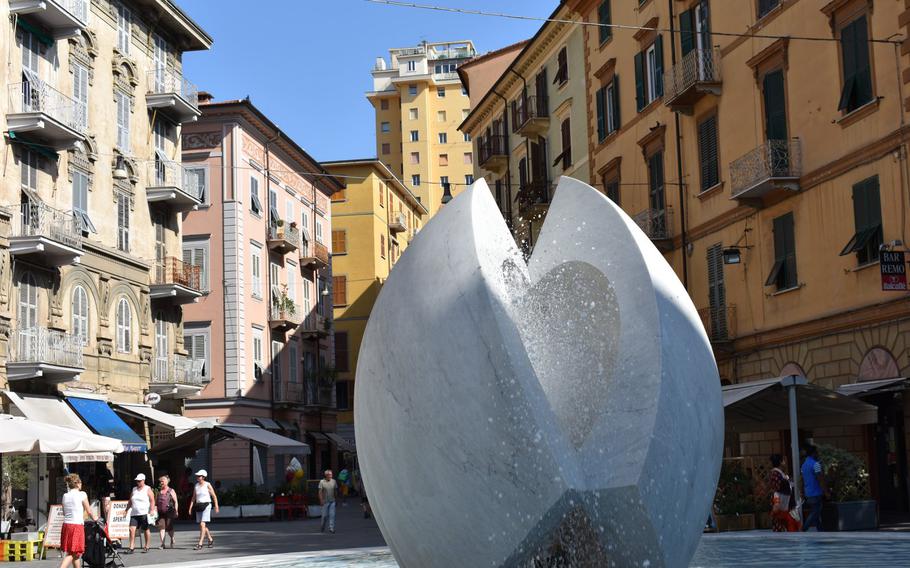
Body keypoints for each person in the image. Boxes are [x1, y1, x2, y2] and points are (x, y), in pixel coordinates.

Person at [59, 474, 98, 568]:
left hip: (66, 525)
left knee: (76, 555)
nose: (81, 484)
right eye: (80, 482)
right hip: (76, 525)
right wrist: (96, 519)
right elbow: (89, 511)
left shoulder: (65, 495)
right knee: (74, 553)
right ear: (77, 483)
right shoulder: (82, 494)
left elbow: (64, 512)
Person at [188, 469, 219, 550]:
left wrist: (216, 506)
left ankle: (200, 543)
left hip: (207, 505)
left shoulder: (207, 485)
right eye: (197, 476)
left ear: (203, 477)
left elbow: (214, 496)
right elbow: (193, 498)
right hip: (199, 506)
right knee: (202, 526)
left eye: (199, 476)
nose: (197, 477)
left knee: (202, 524)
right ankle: (210, 539)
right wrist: (190, 508)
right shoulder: (196, 486)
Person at [768, 454, 800, 532]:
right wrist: (776, 505)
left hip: (784, 504)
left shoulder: (779, 473)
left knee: (786, 527)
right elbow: (776, 490)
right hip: (781, 505)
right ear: (780, 462)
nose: (785, 462)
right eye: (783, 460)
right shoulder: (776, 474)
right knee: (780, 528)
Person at [127, 473, 156, 553]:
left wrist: (152, 510)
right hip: (134, 513)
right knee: (131, 529)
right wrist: (126, 510)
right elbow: (130, 501)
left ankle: (147, 546)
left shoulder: (148, 489)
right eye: (137, 481)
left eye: (139, 481)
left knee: (145, 529)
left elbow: (152, 500)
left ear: (143, 481)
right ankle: (131, 547)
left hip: (144, 513)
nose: (138, 483)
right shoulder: (134, 489)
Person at [801, 445, 827, 531]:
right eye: (817, 452)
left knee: (815, 514)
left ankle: (821, 530)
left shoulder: (804, 465)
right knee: (815, 512)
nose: (818, 454)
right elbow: (820, 479)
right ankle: (804, 528)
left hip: (808, 493)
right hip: (816, 493)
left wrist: (802, 492)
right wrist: (826, 492)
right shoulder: (816, 464)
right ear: (813, 453)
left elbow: (802, 479)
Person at [156, 475, 179, 549]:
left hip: (169, 512)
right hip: (161, 512)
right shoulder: (159, 491)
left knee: (169, 528)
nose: (161, 482)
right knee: (161, 528)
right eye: (161, 481)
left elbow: (176, 502)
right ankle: (162, 544)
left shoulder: (171, 490)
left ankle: (172, 538)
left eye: (163, 481)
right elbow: (156, 503)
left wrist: (176, 511)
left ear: (167, 482)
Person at [319, 469, 338, 533]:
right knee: (324, 516)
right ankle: (322, 527)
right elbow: (320, 492)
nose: (331, 476)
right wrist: (321, 500)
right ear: (326, 475)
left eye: (331, 474)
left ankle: (331, 528)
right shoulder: (322, 482)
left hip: (332, 501)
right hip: (325, 502)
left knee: (332, 515)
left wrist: (336, 499)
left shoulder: (334, 481)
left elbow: (335, 491)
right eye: (329, 475)